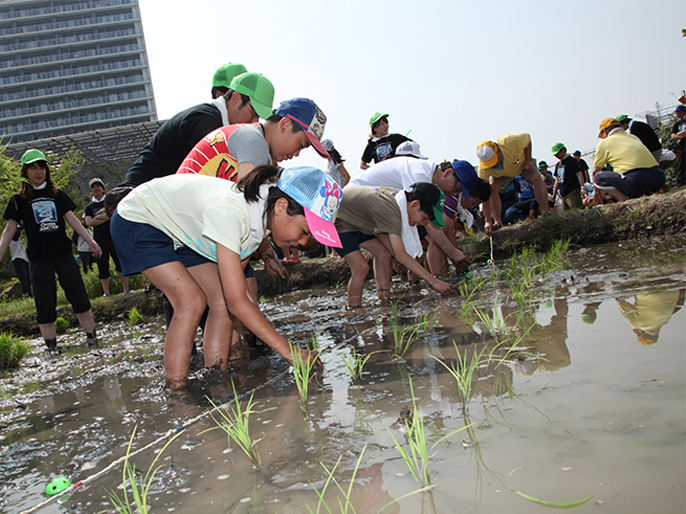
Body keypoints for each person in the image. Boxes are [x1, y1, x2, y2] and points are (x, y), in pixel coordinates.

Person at [110, 166, 342, 389]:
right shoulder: (233, 213)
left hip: (183, 233)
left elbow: (233, 296)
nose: (303, 243)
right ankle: (176, 391)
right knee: (191, 301)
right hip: (140, 217)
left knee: (219, 300)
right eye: (304, 232)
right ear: (281, 206)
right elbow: (237, 301)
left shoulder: (256, 226)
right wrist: (288, 351)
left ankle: (215, 379)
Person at [0, 149, 101, 353]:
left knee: (78, 295)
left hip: (62, 253)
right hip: (39, 258)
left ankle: (92, 338)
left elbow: (71, 219)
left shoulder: (56, 194)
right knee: (44, 301)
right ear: (25, 172)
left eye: (42, 167)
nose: (38, 172)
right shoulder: (18, 200)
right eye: (33, 168)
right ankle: (51, 346)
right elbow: (10, 228)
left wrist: (89, 240)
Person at [122, 71, 274, 188]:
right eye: (254, 114)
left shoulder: (215, 121)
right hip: (138, 197)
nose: (255, 121)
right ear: (236, 99)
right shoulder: (206, 122)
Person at [334, 182, 455, 308]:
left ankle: (384, 299)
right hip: (337, 220)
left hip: (357, 221)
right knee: (361, 267)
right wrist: (434, 282)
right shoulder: (391, 209)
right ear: (415, 204)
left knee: (383, 254)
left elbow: (394, 250)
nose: (422, 223)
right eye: (424, 218)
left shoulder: (398, 201)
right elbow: (401, 255)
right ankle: (354, 310)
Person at [349, 155, 473, 271]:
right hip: (355, 204)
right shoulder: (418, 175)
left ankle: (407, 285)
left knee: (396, 252)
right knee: (400, 251)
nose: (453, 194)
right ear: (448, 173)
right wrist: (453, 253)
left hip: (376, 207)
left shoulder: (426, 175)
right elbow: (429, 224)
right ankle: (424, 281)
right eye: (457, 189)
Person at [475, 133, 550, 234]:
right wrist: (488, 221)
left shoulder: (510, 141)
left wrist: (528, 159)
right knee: (492, 190)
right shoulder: (484, 170)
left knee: (536, 178)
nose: (494, 165)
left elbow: (528, 139)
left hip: (521, 163)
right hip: (501, 175)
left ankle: (545, 212)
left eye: (494, 162)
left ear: (498, 152)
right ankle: (497, 222)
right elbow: (485, 197)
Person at [425, 161, 492, 275]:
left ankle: (438, 276)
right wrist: (457, 258)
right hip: (420, 216)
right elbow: (447, 230)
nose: (471, 206)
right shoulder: (453, 198)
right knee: (435, 241)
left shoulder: (454, 197)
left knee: (438, 243)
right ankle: (438, 277)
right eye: (473, 202)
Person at [592, 118, 666, 204]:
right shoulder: (633, 137)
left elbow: (595, 172)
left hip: (636, 181)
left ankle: (623, 200)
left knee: (598, 177)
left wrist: (596, 192)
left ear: (606, 132)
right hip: (659, 178)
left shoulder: (604, 143)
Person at [85, 178, 129, 295]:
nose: (96, 188)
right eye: (93, 187)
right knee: (102, 265)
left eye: (98, 186)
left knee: (119, 262)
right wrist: (106, 216)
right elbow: (89, 222)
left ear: (103, 188)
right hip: (99, 239)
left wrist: (97, 218)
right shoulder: (89, 207)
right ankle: (106, 292)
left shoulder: (110, 201)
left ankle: (126, 289)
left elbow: (115, 213)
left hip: (113, 236)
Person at [551, 142, 584, 210]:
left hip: (572, 191)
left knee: (577, 210)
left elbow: (579, 174)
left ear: (563, 150)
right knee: (567, 214)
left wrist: (582, 187)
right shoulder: (558, 164)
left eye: (557, 153)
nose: (556, 156)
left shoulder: (571, 161)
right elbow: (557, 180)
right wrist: (554, 194)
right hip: (563, 193)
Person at [9, 225, 32, 297]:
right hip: (18, 259)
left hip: (24, 260)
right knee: (24, 278)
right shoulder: (12, 238)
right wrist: (19, 227)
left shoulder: (20, 241)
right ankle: (26, 294)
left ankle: (30, 293)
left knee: (28, 278)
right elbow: (16, 233)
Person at [671, 105, 686, 187]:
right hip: (682, 145)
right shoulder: (677, 125)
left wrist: (678, 135)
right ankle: (681, 182)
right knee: (682, 164)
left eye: (680, 112)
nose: (678, 114)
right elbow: (673, 136)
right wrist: (681, 134)